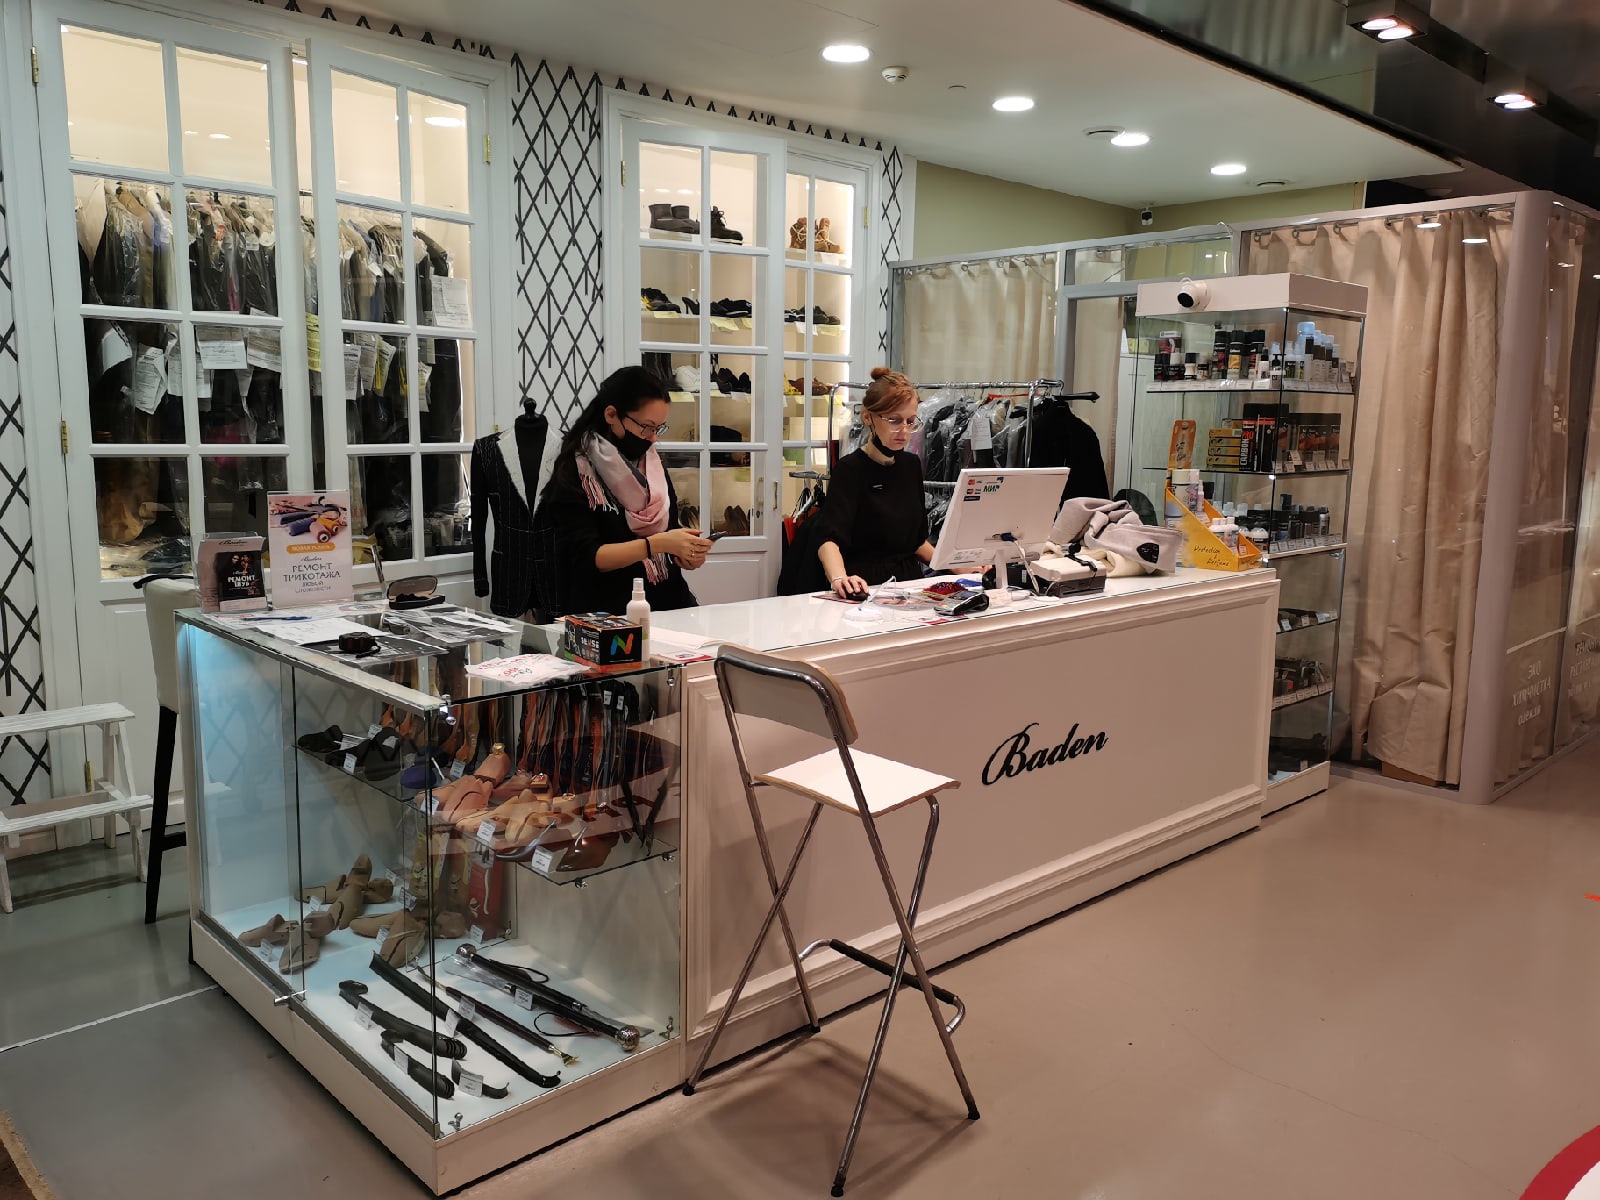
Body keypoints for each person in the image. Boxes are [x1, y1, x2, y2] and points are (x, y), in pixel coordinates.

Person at [535, 366, 710, 616]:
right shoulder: (577, 472)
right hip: (606, 616)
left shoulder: (652, 465)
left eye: (659, 428)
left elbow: (669, 530)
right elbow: (589, 556)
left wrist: (685, 553)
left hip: (670, 606)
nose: (653, 438)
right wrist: (658, 544)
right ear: (611, 415)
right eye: (646, 427)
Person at [816, 367, 933, 597]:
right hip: (864, 587)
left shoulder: (911, 466)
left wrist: (958, 564)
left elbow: (916, 543)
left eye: (911, 421)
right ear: (868, 417)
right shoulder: (850, 470)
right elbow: (828, 539)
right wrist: (840, 578)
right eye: (894, 420)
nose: (904, 431)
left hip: (909, 587)